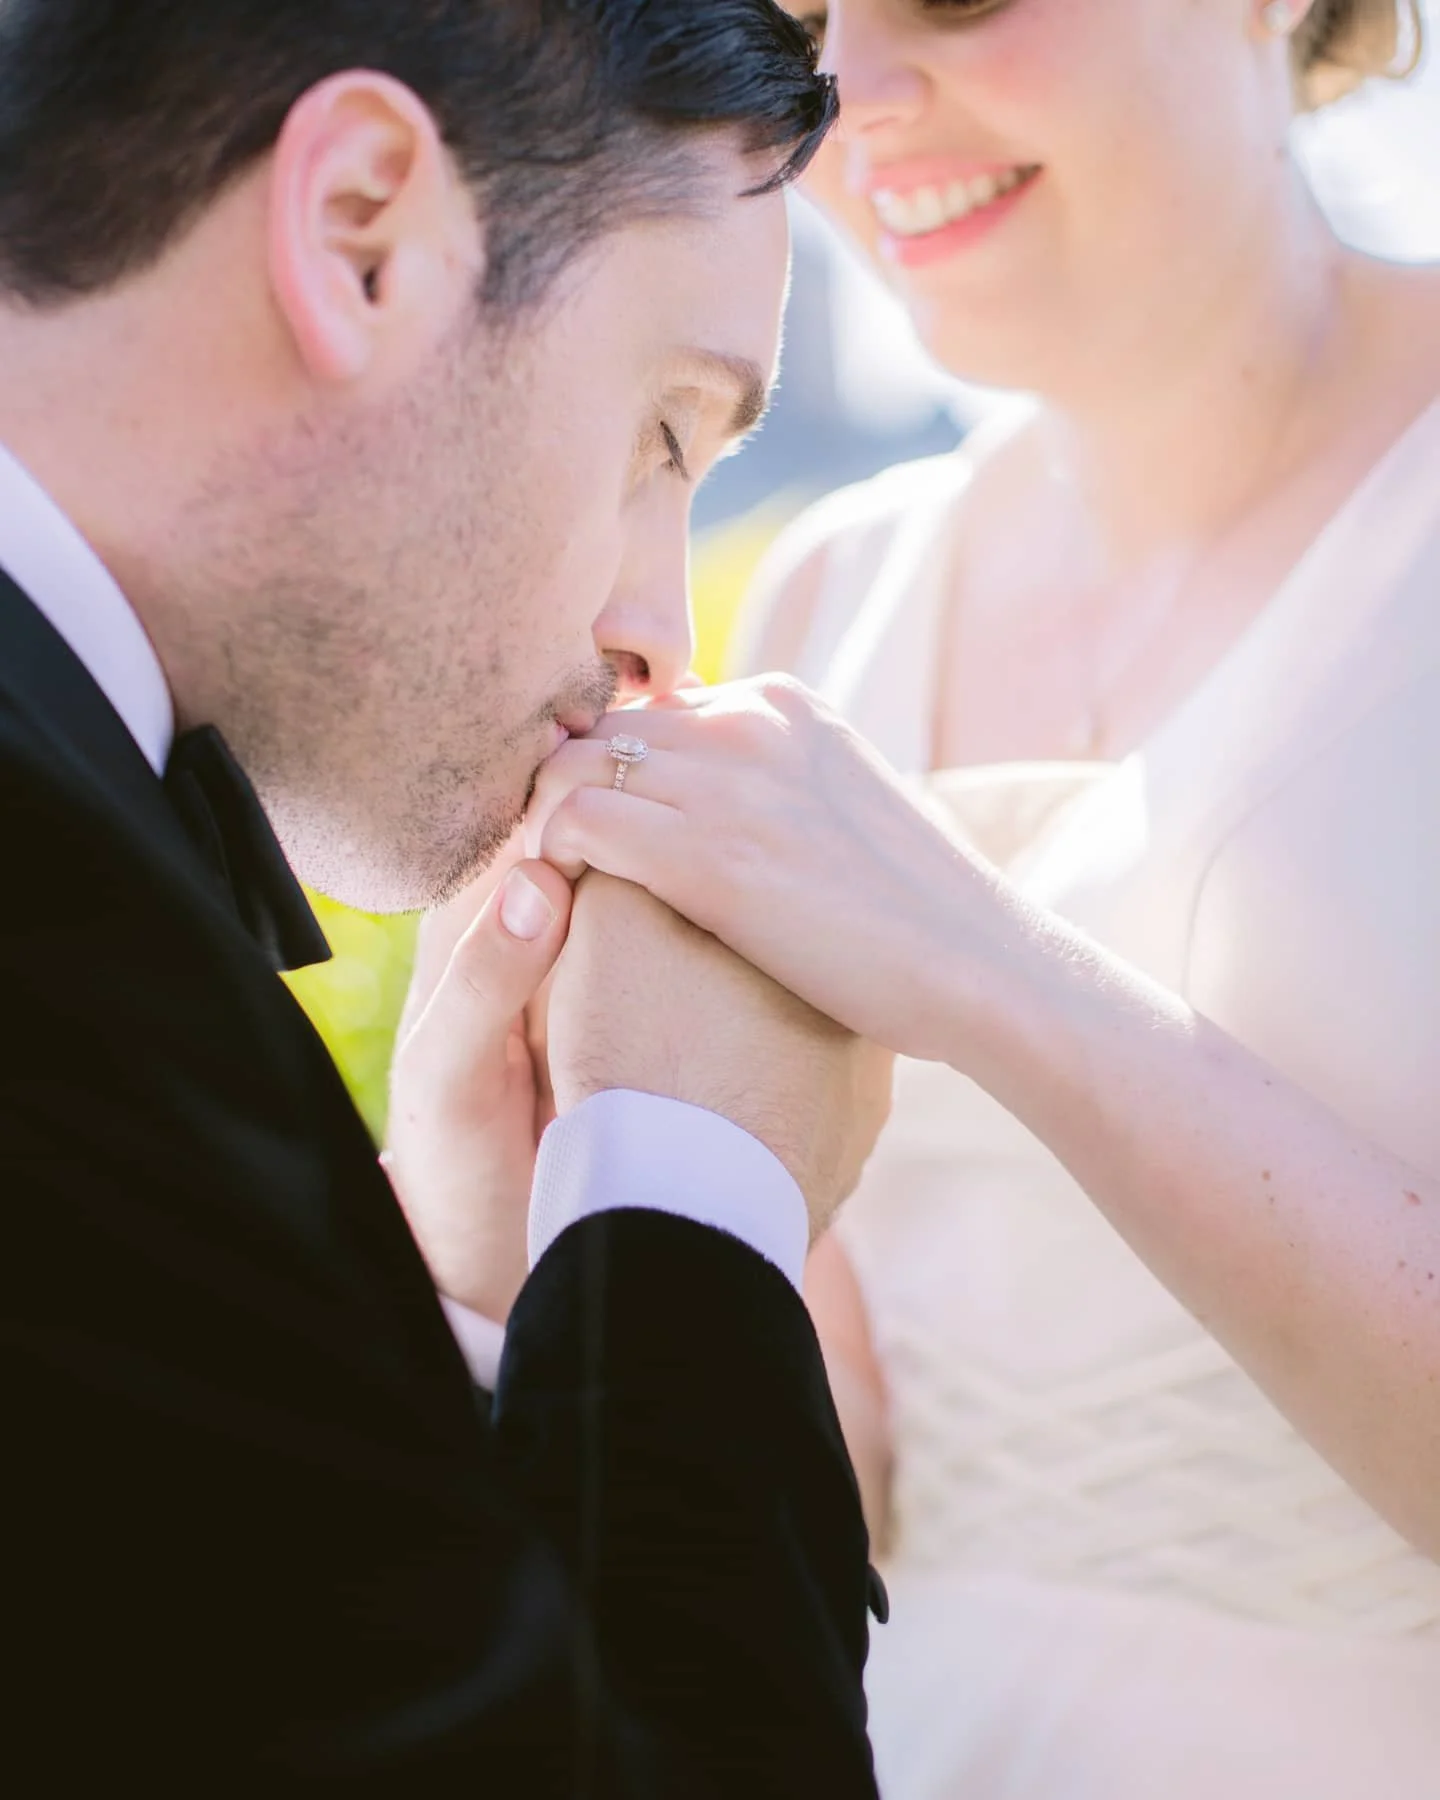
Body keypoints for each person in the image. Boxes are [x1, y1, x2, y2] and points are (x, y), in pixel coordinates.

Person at [525, 0, 1440, 1791]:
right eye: (802, 16)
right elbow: (863, 1478)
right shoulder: (832, 596)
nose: (853, 94)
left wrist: (981, 969)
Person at [0, 3, 897, 1790]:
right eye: (663, 429)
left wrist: (495, 1320)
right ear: (362, 234)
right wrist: (691, 1195)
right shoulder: (52, 940)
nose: (661, 638)